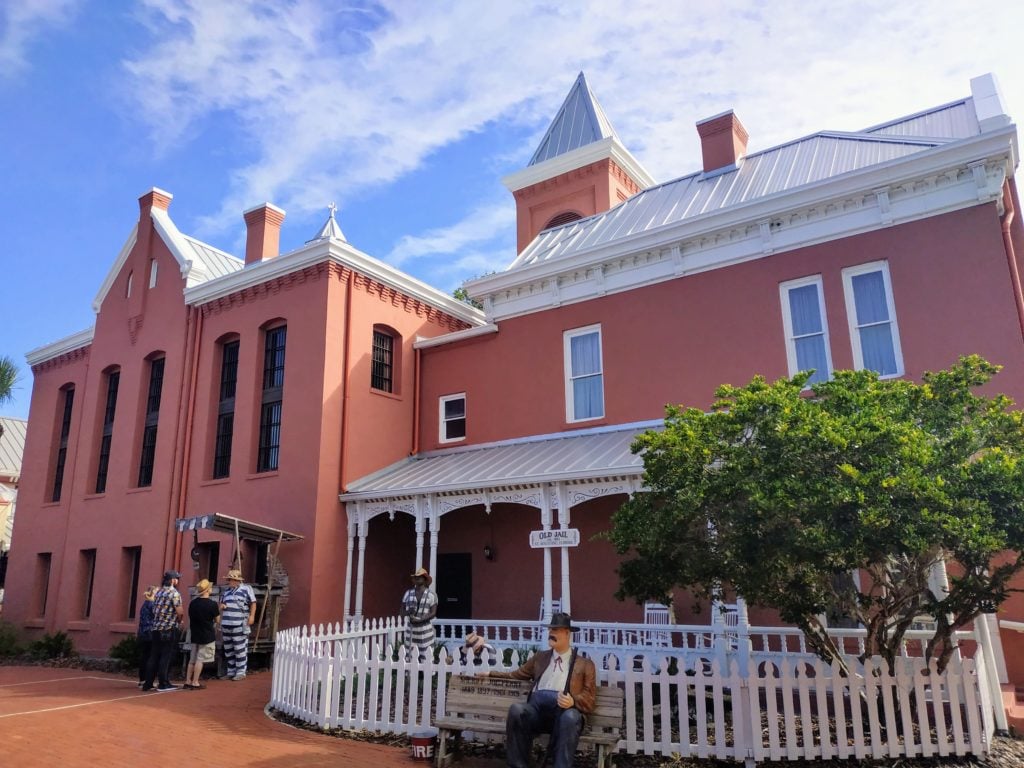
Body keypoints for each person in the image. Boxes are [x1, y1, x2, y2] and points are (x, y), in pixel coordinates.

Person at [486, 613, 596, 768]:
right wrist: (491, 673)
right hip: (538, 711)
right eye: (551, 629)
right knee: (517, 710)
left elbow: (590, 700)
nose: (551, 633)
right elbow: (517, 674)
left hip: (565, 713)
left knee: (571, 717)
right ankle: (518, 765)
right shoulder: (540, 658)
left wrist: (573, 701)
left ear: (567, 633)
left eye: (556, 630)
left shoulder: (585, 664)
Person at [142, 570, 184, 691]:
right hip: (168, 627)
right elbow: (179, 611)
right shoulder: (174, 593)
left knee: (154, 655)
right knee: (166, 655)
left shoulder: (159, 592)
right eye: (176, 578)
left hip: (156, 627)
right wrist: (179, 620)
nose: (177, 580)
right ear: (172, 580)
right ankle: (163, 683)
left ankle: (148, 683)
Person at [219, 568, 256, 681]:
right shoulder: (226, 592)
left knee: (239, 649)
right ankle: (231, 671)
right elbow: (220, 604)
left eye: (231, 579)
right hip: (226, 623)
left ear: (236, 580)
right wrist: (221, 606)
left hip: (239, 623)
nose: (229, 581)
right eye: (229, 579)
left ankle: (240, 671)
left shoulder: (246, 589)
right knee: (229, 649)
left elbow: (253, 603)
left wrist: (252, 616)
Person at [184, 578, 220, 689]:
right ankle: (195, 681)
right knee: (200, 659)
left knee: (192, 659)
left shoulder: (193, 603)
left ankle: (188, 680)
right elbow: (217, 620)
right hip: (207, 634)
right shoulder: (212, 604)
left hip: (195, 633)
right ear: (207, 590)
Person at [400, 567, 438, 661]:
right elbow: (401, 612)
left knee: (427, 654)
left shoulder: (431, 595)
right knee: (410, 654)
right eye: (416, 577)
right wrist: (409, 612)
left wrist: (422, 619)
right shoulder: (408, 593)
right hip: (411, 628)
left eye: (420, 577)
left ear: (425, 579)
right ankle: (411, 675)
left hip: (425, 628)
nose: (417, 579)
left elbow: (433, 613)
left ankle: (427, 675)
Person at [136, 585, 157, 688]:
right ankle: (148, 681)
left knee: (144, 656)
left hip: (142, 633)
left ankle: (142, 680)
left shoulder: (145, 604)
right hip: (151, 633)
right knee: (150, 657)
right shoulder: (152, 605)